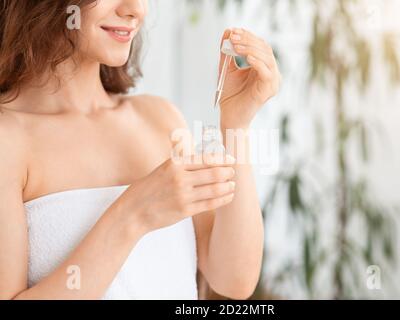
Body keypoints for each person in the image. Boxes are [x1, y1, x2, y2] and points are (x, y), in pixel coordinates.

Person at [0, 0, 281, 300]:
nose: (137, 9)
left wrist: (236, 123)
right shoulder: (9, 140)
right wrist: (132, 214)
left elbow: (233, 280)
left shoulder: (160, 119)